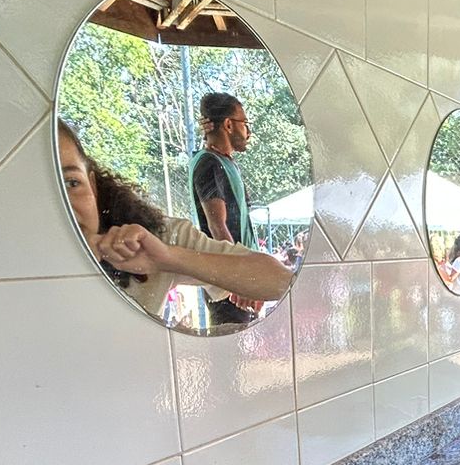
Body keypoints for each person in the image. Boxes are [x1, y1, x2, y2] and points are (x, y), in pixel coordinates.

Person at [57, 120, 292, 320]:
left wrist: (167, 258)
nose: (59, 201)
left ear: (92, 185)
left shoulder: (154, 237)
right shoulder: (208, 164)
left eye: (71, 183)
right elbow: (217, 223)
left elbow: (279, 280)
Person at [190, 92, 258, 248]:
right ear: (228, 125)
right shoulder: (208, 163)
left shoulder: (225, 162)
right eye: (244, 123)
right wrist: (238, 261)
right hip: (235, 261)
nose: (248, 132)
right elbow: (217, 227)